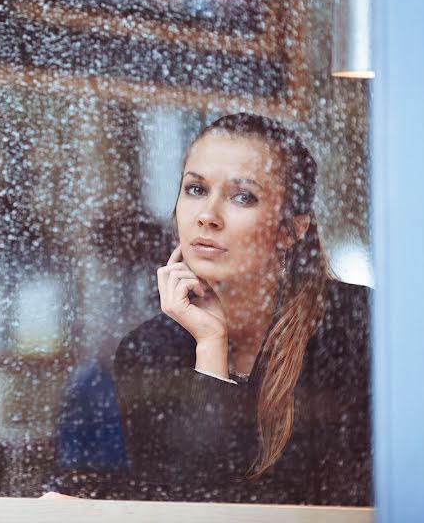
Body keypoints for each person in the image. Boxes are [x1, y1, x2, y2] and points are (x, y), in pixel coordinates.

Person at [48, 113, 371, 505]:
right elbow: (185, 503)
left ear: (290, 230)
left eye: (242, 197)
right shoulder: (150, 347)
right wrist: (211, 348)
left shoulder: (358, 324)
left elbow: (340, 493)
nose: (207, 216)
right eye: (196, 189)